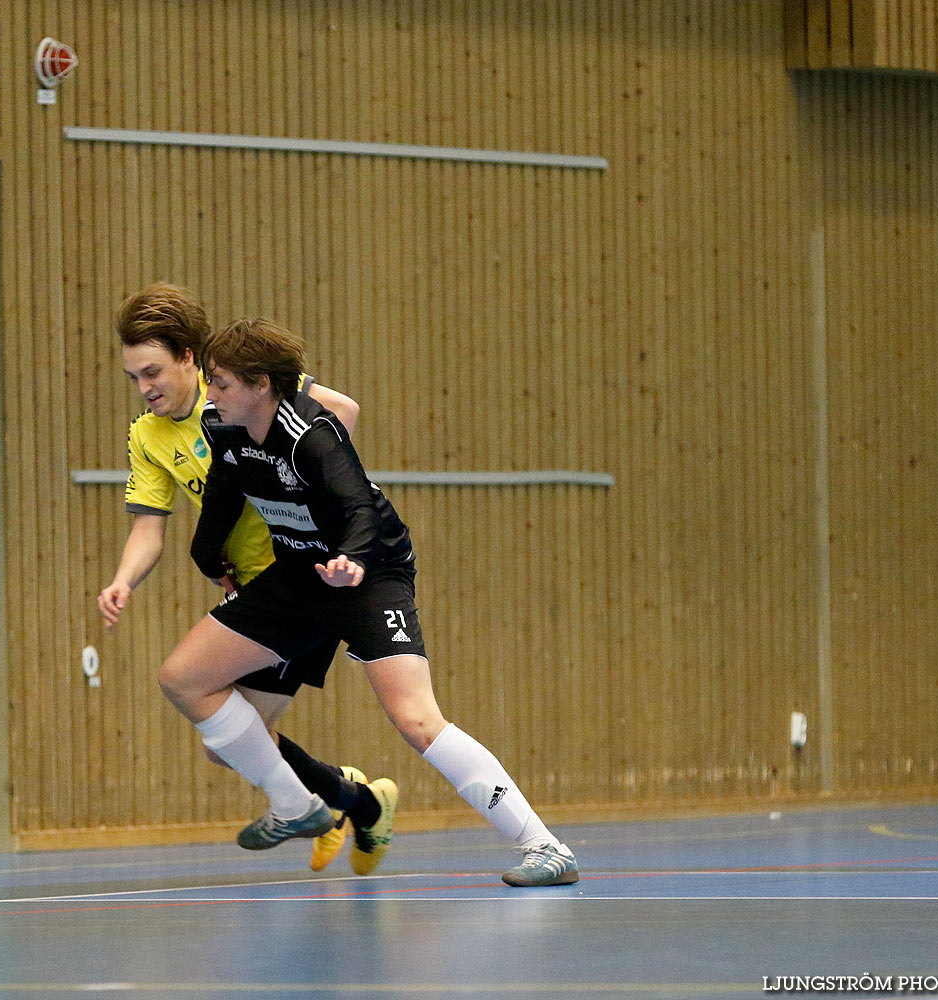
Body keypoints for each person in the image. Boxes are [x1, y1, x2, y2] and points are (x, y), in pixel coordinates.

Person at [159, 316, 579, 887]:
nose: (210, 394)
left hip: (369, 573)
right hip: (299, 577)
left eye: (222, 382)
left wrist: (351, 559)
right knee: (185, 680)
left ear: (261, 384)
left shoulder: (312, 434)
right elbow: (226, 494)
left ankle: (544, 846)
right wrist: (210, 559)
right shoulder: (224, 428)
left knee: (416, 720)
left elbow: (359, 506)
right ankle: (299, 804)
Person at [97, 283, 397, 874]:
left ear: (190, 357)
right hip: (251, 590)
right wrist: (123, 581)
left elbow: (344, 412)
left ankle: (319, 804)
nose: (144, 387)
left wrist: (307, 489)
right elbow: (149, 529)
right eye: (133, 377)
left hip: (301, 581)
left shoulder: (236, 389)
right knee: (236, 742)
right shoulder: (147, 436)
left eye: (153, 371)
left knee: (226, 724)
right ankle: (355, 801)